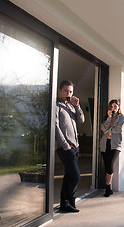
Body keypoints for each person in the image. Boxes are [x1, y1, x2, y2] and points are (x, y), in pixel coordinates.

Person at [55, 80, 85, 212]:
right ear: (59, 91)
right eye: (66, 91)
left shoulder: (71, 106)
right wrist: (65, 145)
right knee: (75, 176)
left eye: (71, 91)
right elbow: (55, 127)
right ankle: (68, 201)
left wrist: (77, 106)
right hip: (66, 148)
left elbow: (81, 120)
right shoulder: (56, 106)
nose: (68, 93)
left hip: (75, 146)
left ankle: (66, 203)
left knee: (68, 176)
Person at [100, 99, 124, 197]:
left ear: (118, 107)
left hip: (115, 145)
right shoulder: (107, 117)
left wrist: (108, 130)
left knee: (110, 164)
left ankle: (108, 187)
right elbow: (102, 128)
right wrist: (109, 118)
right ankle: (108, 188)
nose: (113, 108)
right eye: (111, 107)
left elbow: (118, 129)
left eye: (115, 106)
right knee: (106, 166)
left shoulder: (121, 118)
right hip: (104, 144)